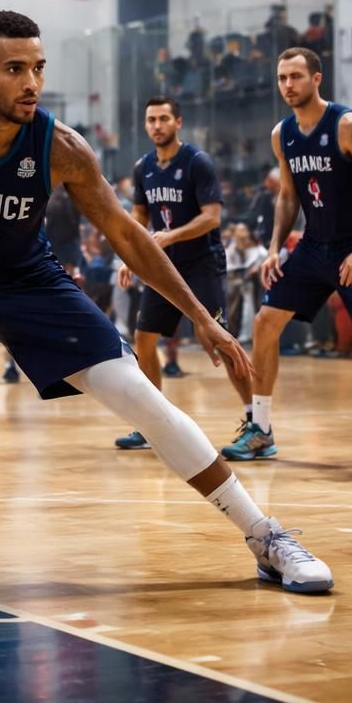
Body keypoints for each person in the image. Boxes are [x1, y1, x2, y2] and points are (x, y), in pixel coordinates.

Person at [0, 10, 331, 592]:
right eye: (14, 69)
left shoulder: (61, 146)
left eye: (38, 68)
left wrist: (203, 319)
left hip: (33, 286)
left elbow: (128, 235)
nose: (31, 82)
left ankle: (264, 535)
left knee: (140, 398)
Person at [221, 48, 352, 461]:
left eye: (296, 76)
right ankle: (260, 429)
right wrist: (273, 248)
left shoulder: (349, 126)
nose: (288, 85)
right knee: (266, 323)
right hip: (314, 246)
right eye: (283, 77)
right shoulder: (281, 134)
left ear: (317, 79)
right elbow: (288, 195)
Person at [112, 97, 250, 451]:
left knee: (220, 339)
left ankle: (258, 421)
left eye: (163, 119)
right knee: (143, 339)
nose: (157, 125)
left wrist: (169, 235)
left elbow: (212, 217)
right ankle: (152, 424)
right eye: (151, 120)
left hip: (202, 263)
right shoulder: (144, 167)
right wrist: (130, 255)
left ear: (178, 122)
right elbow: (139, 217)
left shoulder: (196, 162)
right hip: (163, 268)